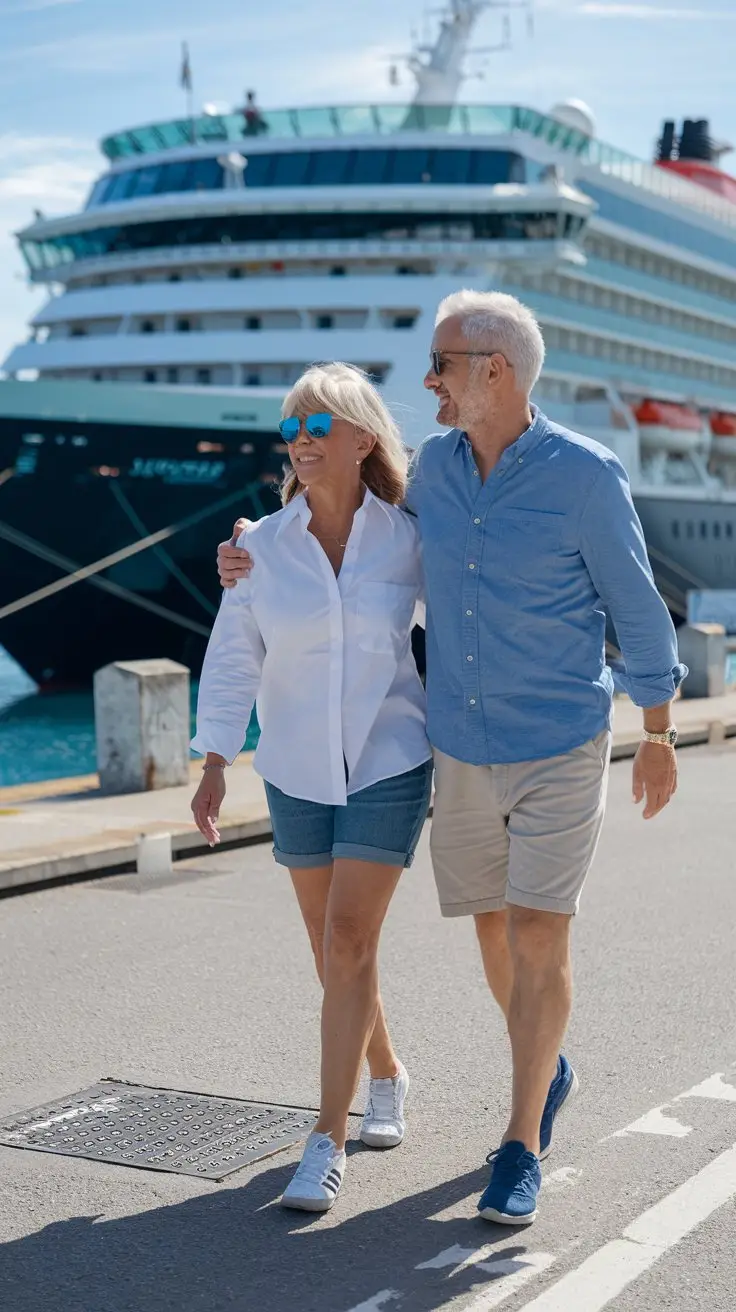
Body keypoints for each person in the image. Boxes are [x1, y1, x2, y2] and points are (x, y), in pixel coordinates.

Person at [217, 290, 686, 1227]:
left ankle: (521, 1144)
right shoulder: (433, 468)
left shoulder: (588, 477)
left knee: (538, 933)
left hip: (559, 738)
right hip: (460, 743)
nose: (426, 381)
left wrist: (660, 732)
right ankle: (547, 1066)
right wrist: (252, 551)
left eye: (441, 364)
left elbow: (639, 614)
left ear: (494, 372)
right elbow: (354, 531)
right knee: (490, 933)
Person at [191, 362, 433, 1213]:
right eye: (292, 424)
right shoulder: (257, 548)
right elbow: (234, 656)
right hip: (293, 763)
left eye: (319, 423)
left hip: (388, 757)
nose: (301, 436)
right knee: (328, 942)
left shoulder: (408, 538)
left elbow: (469, 619)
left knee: (350, 940)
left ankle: (325, 1138)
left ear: (363, 438)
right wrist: (215, 759)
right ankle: (388, 1073)